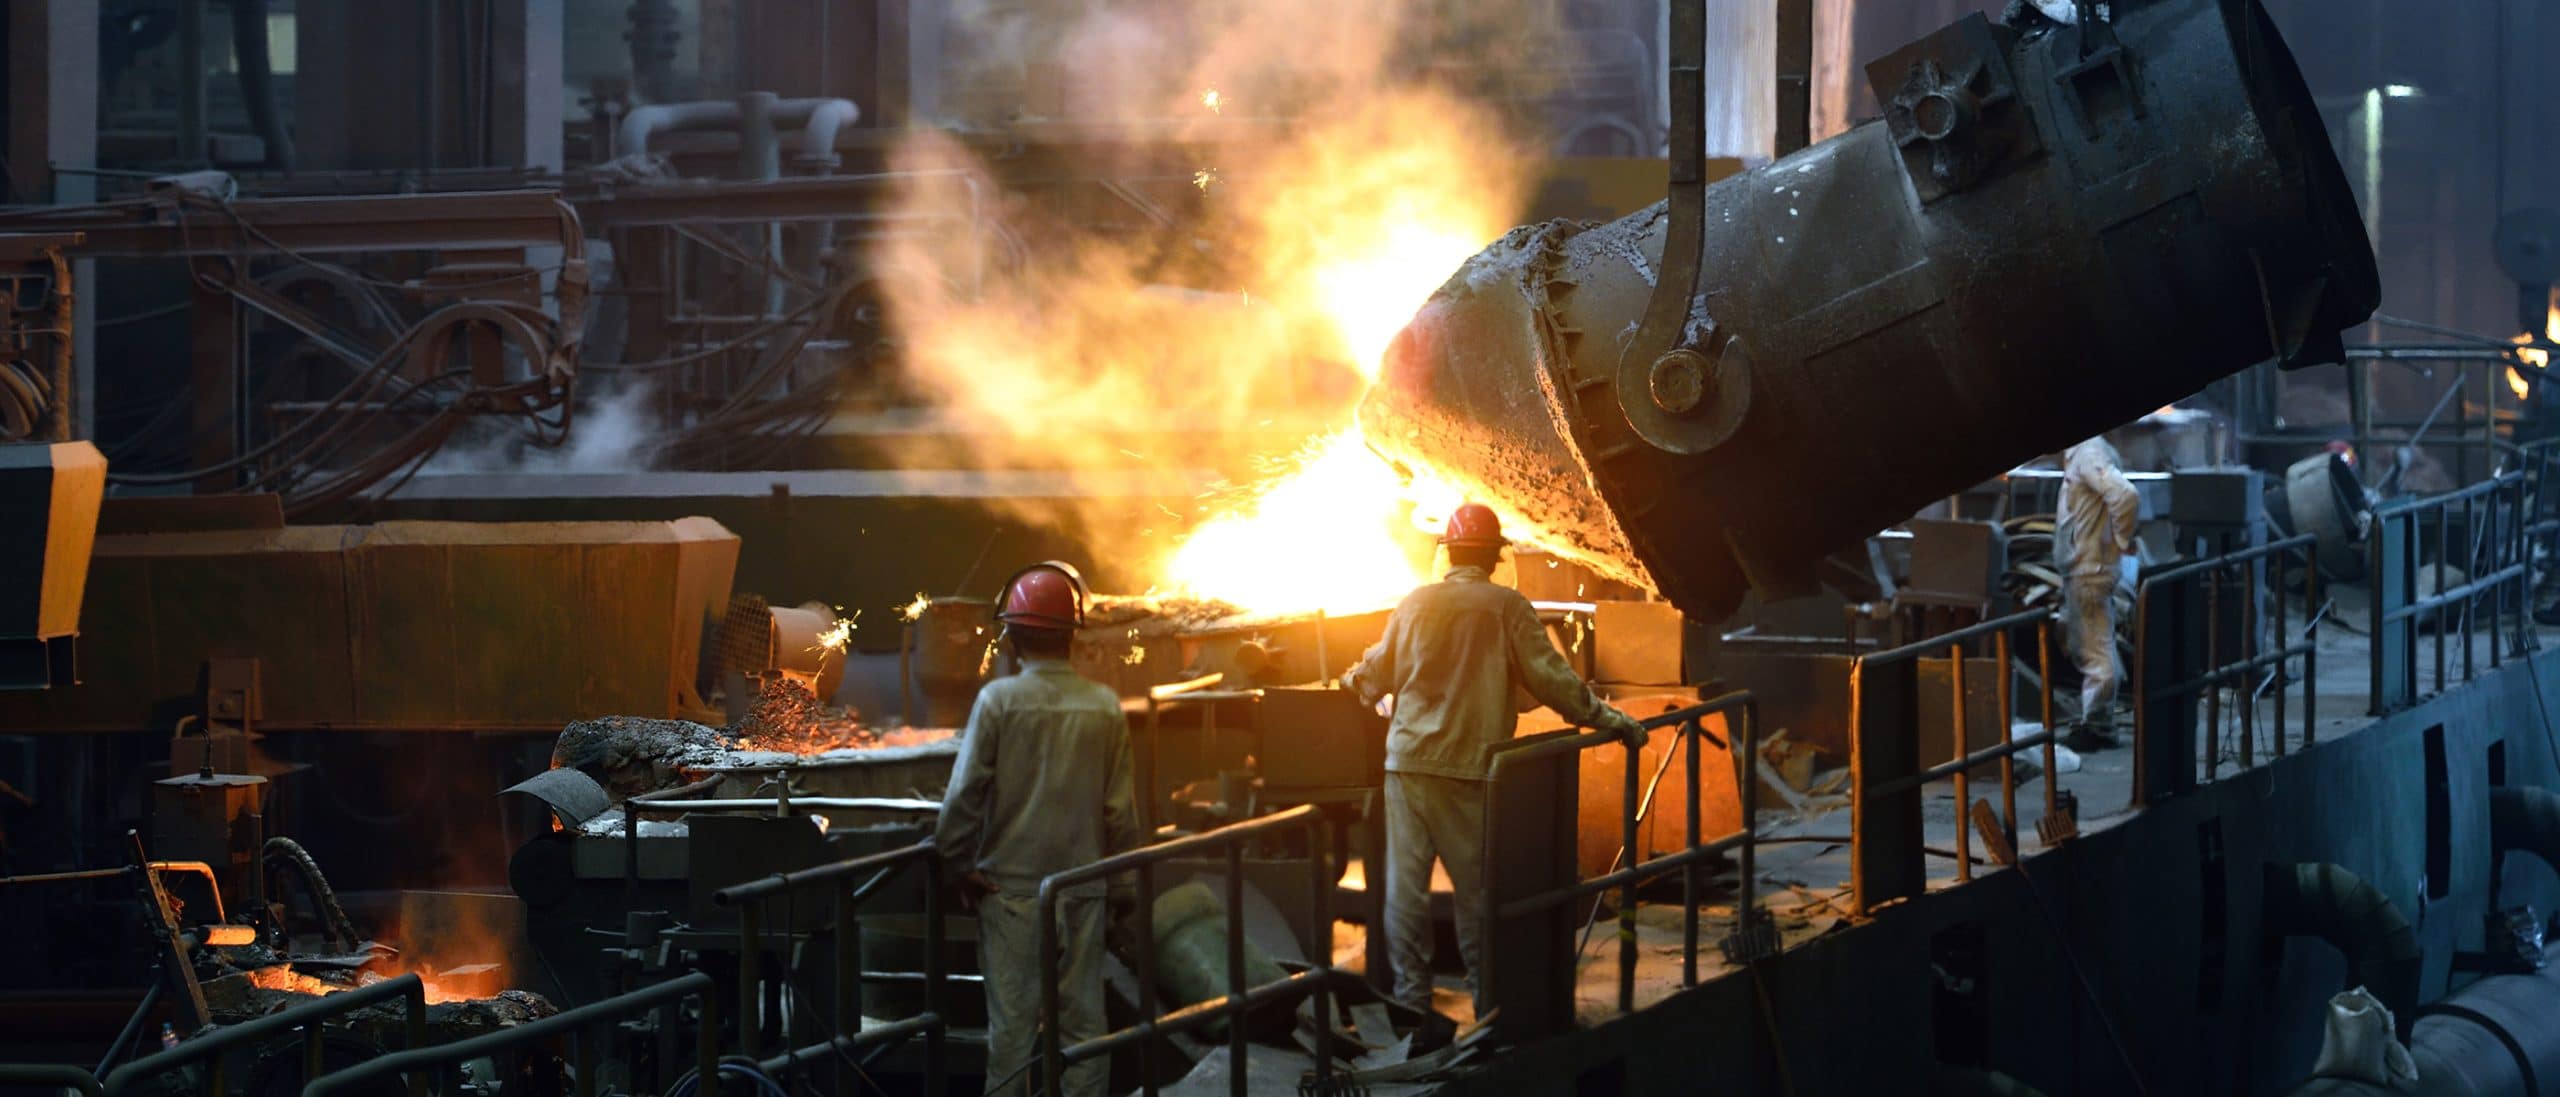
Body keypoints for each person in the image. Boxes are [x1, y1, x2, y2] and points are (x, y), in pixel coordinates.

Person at [1342, 502, 1648, 1017]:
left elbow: (1373, 676)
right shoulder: (1506, 607)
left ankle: (1412, 1008)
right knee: (1476, 894)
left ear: (1449, 553)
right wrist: (1614, 721)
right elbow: (1556, 684)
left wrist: (1353, 679)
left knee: (1405, 892)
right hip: (1468, 770)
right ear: (1493, 556)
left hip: (1409, 764)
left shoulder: (1415, 604)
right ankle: (1487, 1008)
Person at [935, 561, 1141, 1097]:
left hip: (1011, 893)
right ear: (1071, 636)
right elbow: (1120, 811)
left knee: (1012, 1031)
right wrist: (1119, 890)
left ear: (1013, 636)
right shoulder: (1104, 707)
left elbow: (963, 797)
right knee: (1084, 1029)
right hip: (1085, 888)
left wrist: (956, 865)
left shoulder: (999, 702)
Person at [2055, 437, 2141, 747]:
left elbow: (2125, 495)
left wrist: (2120, 538)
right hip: (2088, 567)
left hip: (2090, 568)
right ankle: (2098, 720)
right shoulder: (2083, 452)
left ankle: (2099, 727)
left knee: (2095, 651)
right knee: (2094, 645)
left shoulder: (2088, 453)